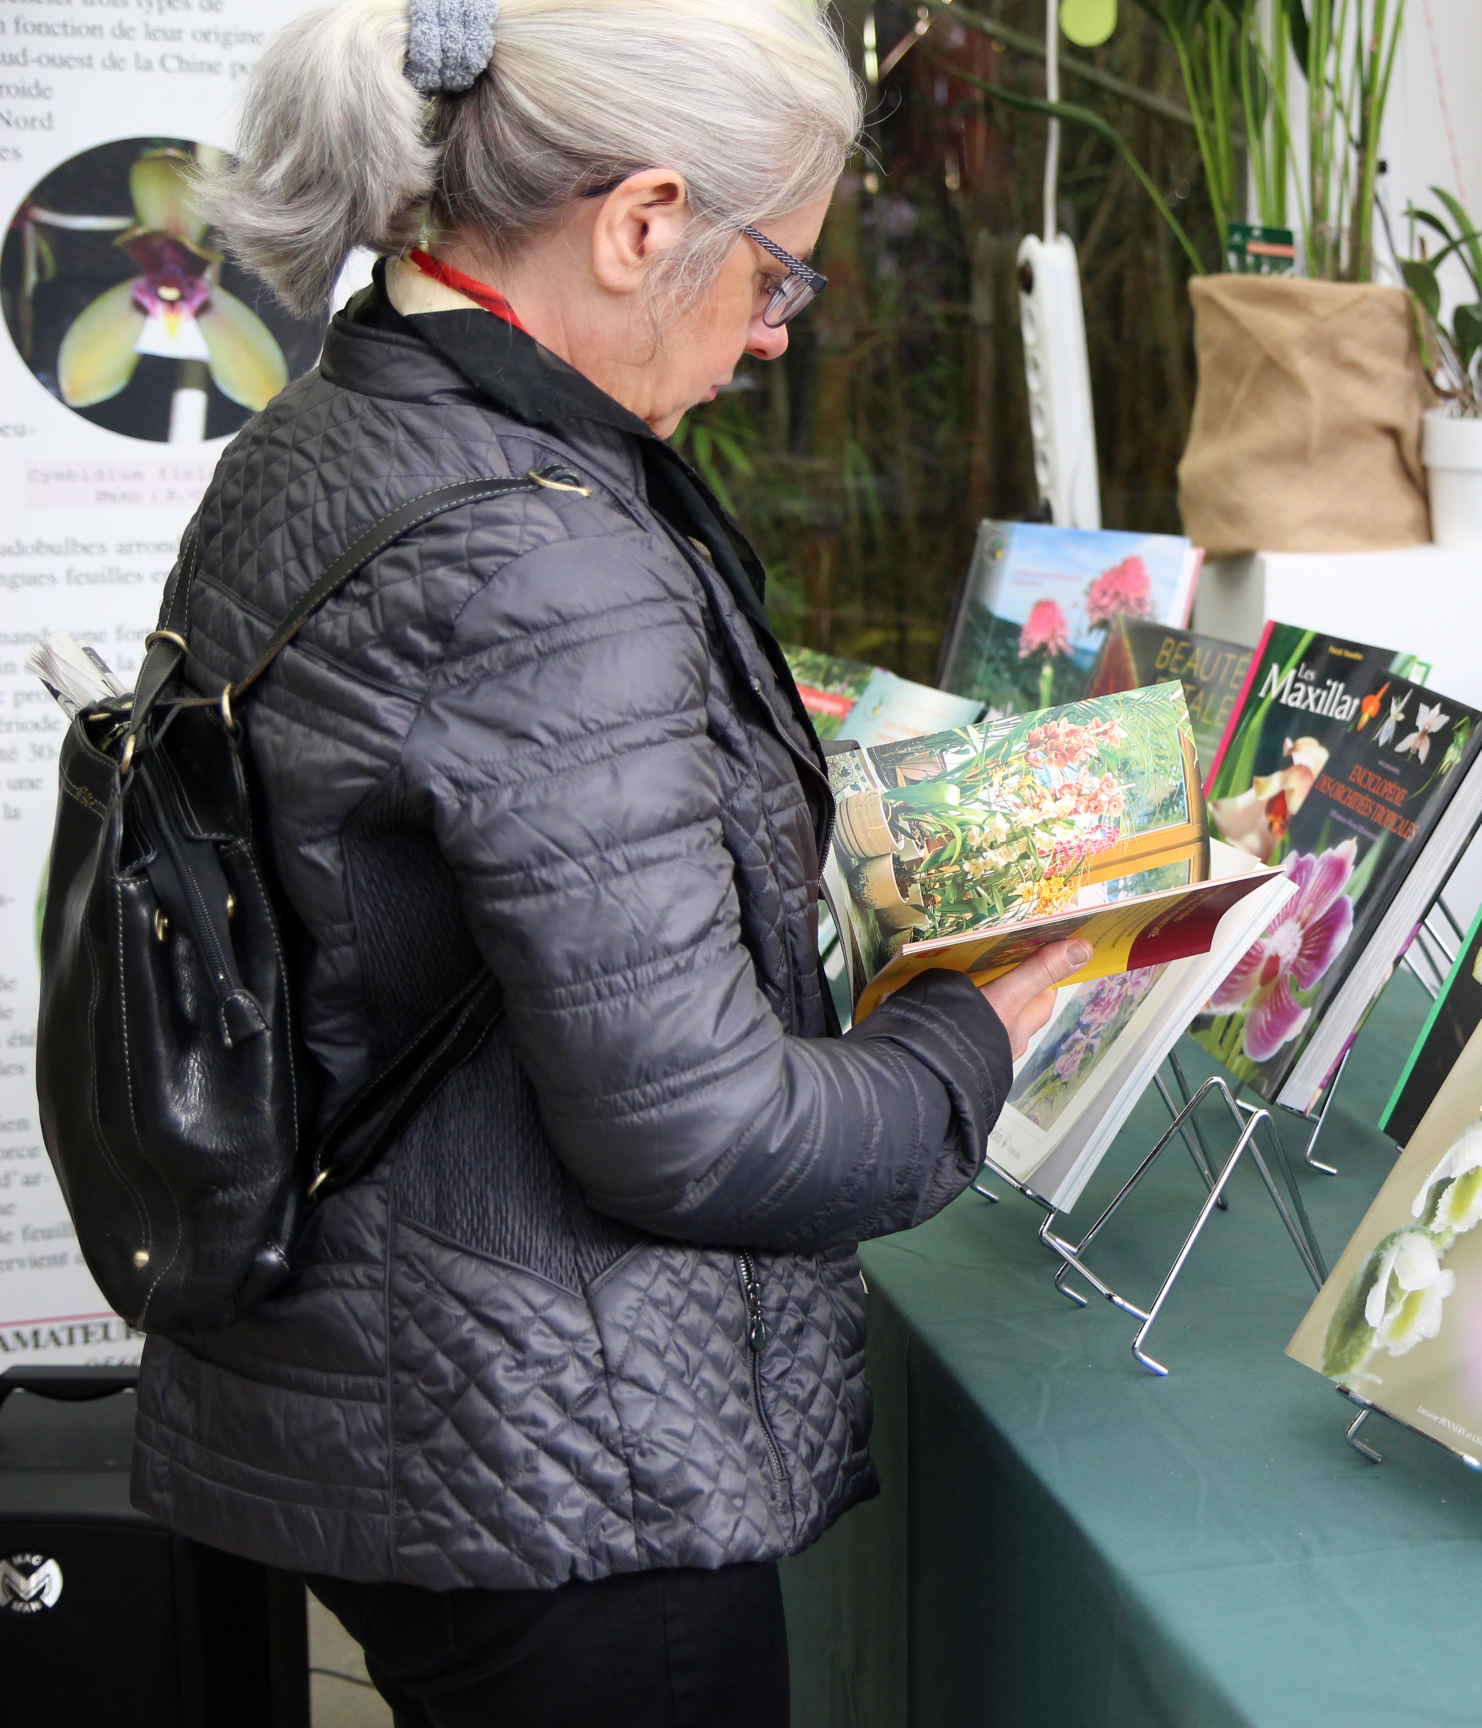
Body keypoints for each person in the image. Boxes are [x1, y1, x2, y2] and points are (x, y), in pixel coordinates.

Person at [138, 1, 1082, 1720]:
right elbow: (700, 1134)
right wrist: (991, 1021)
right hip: (560, 1454)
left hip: (380, 1363)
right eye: (777, 273)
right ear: (642, 222)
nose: (781, 330)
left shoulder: (340, 419)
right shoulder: (540, 555)